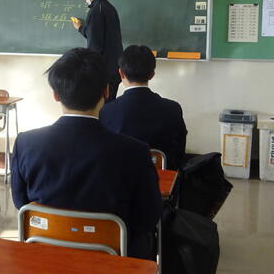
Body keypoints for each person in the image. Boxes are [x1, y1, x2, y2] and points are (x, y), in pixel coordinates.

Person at [10, 48, 162, 259]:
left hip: (46, 256)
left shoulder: (25, 143)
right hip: (112, 260)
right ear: (106, 92)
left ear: (55, 95)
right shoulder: (135, 151)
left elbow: (21, 204)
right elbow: (148, 216)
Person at [100, 45, 187, 170]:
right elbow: (179, 155)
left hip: (118, 179)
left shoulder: (106, 111)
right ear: (152, 74)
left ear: (121, 73)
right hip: (161, 179)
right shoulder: (173, 109)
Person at [71, 0, 124, 99]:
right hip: (114, 67)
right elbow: (97, 34)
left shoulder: (95, 11)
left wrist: (91, 72)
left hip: (104, 71)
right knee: (109, 104)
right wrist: (81, 28)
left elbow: (94, 45)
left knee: (102, 106)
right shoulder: (109, 8)